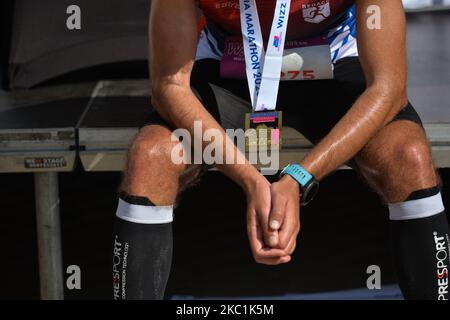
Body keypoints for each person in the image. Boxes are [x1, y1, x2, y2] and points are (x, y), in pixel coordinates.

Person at [112, 0, 450, 300]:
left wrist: (299, 178)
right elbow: (169, 87)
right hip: (227, 61)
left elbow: (388, 89)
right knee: (150, 157)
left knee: (409, 156)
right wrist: (251, 180)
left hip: (334, 59)